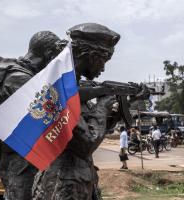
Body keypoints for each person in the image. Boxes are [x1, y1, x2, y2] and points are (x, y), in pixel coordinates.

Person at [32, 23, 123, 200]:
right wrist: (102, 106)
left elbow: (92, 126)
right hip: (64, 185)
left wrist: (117, 112)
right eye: (103, 61)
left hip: (75, 181)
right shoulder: (58, 89)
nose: (103, 69)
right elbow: (86, 143)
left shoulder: (72, 88)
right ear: (91, 56)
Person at [0, 31, 62, 200]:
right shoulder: (17, 78)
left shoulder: (19, 74)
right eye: (54, 58)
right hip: (19, 163)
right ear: (48, 54)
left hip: (20, 159)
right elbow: (48, 113)